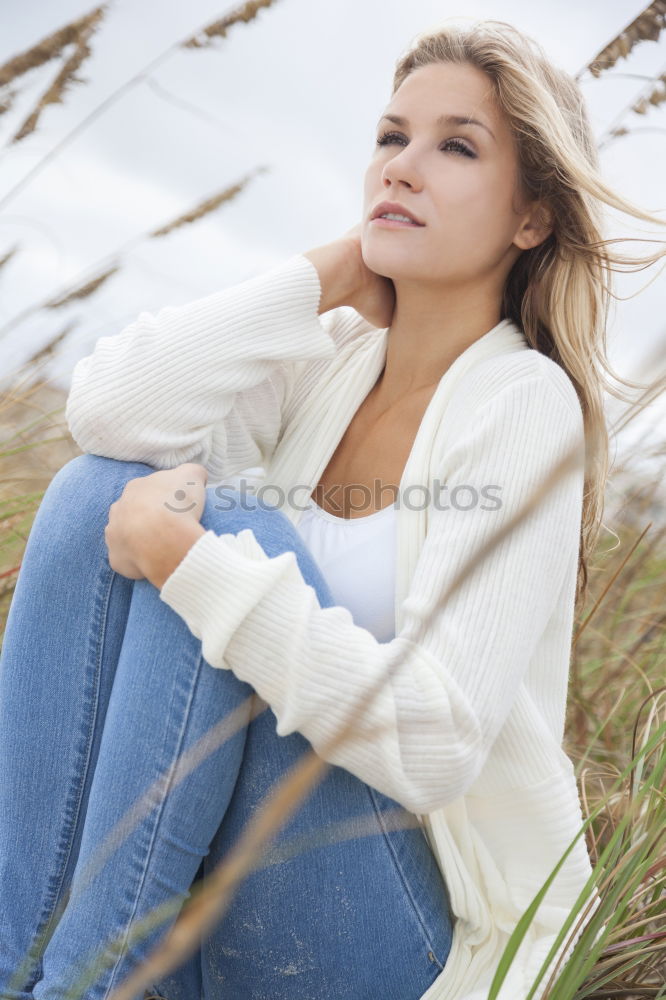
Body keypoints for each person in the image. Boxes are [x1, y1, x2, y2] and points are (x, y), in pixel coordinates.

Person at [1, 17, 664, 1000]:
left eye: (455, 145)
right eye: (391, 136)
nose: (401, 166)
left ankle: (89, 987)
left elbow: (434, 744)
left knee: (226, 536)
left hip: (410, 938)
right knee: (93, 488)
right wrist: (320, 277)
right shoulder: (332, 361)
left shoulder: (527, 407)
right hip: (238, 893)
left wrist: (193, 563)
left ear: (530, 218)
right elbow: (112, 415)